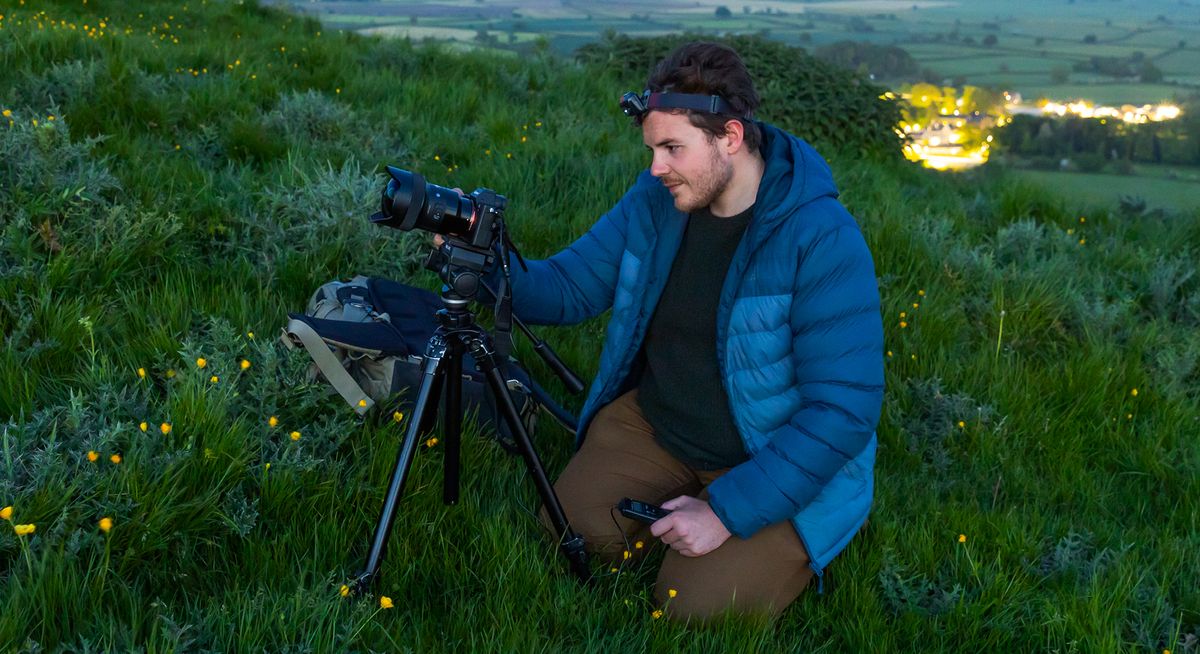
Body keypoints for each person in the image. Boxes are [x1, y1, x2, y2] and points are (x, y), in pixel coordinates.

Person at [462, 41, 883, 621]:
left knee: (690, 607)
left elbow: (844, 409)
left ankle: (777, 534)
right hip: (658, 423)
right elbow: (568, 287)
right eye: (653, 149)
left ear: (729, 137)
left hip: (765, 451)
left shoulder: (820, 237)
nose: (656, 167)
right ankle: (669, 512)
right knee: (573, 533)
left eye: (672, 148)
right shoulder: (658, 201)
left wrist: (724, 513)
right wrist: (486, 264)